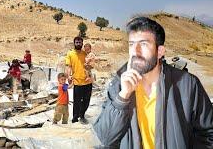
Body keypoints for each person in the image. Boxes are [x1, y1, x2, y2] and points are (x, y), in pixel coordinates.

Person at [93, 17, 213, 148]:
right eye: (131, 44)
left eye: (143, 44)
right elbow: (105, 139)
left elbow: (208, 134)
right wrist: (123, 97)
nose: (135, 51)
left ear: (160, 51)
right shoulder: (119, 85)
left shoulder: (188, 84)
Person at [65, 36, 93, 124]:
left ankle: (82, 115)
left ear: (82, 43)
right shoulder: (70, 54)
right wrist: (68, 76)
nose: (78, 44)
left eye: (80, 42)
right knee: (77, 102)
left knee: (86, 101)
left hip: (88, 81)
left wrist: (91, 65)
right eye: (77, 42)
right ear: (74, 43)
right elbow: (68, 66)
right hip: (77, 81)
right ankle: (75, 117)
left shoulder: (86, 53)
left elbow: (92, 64)